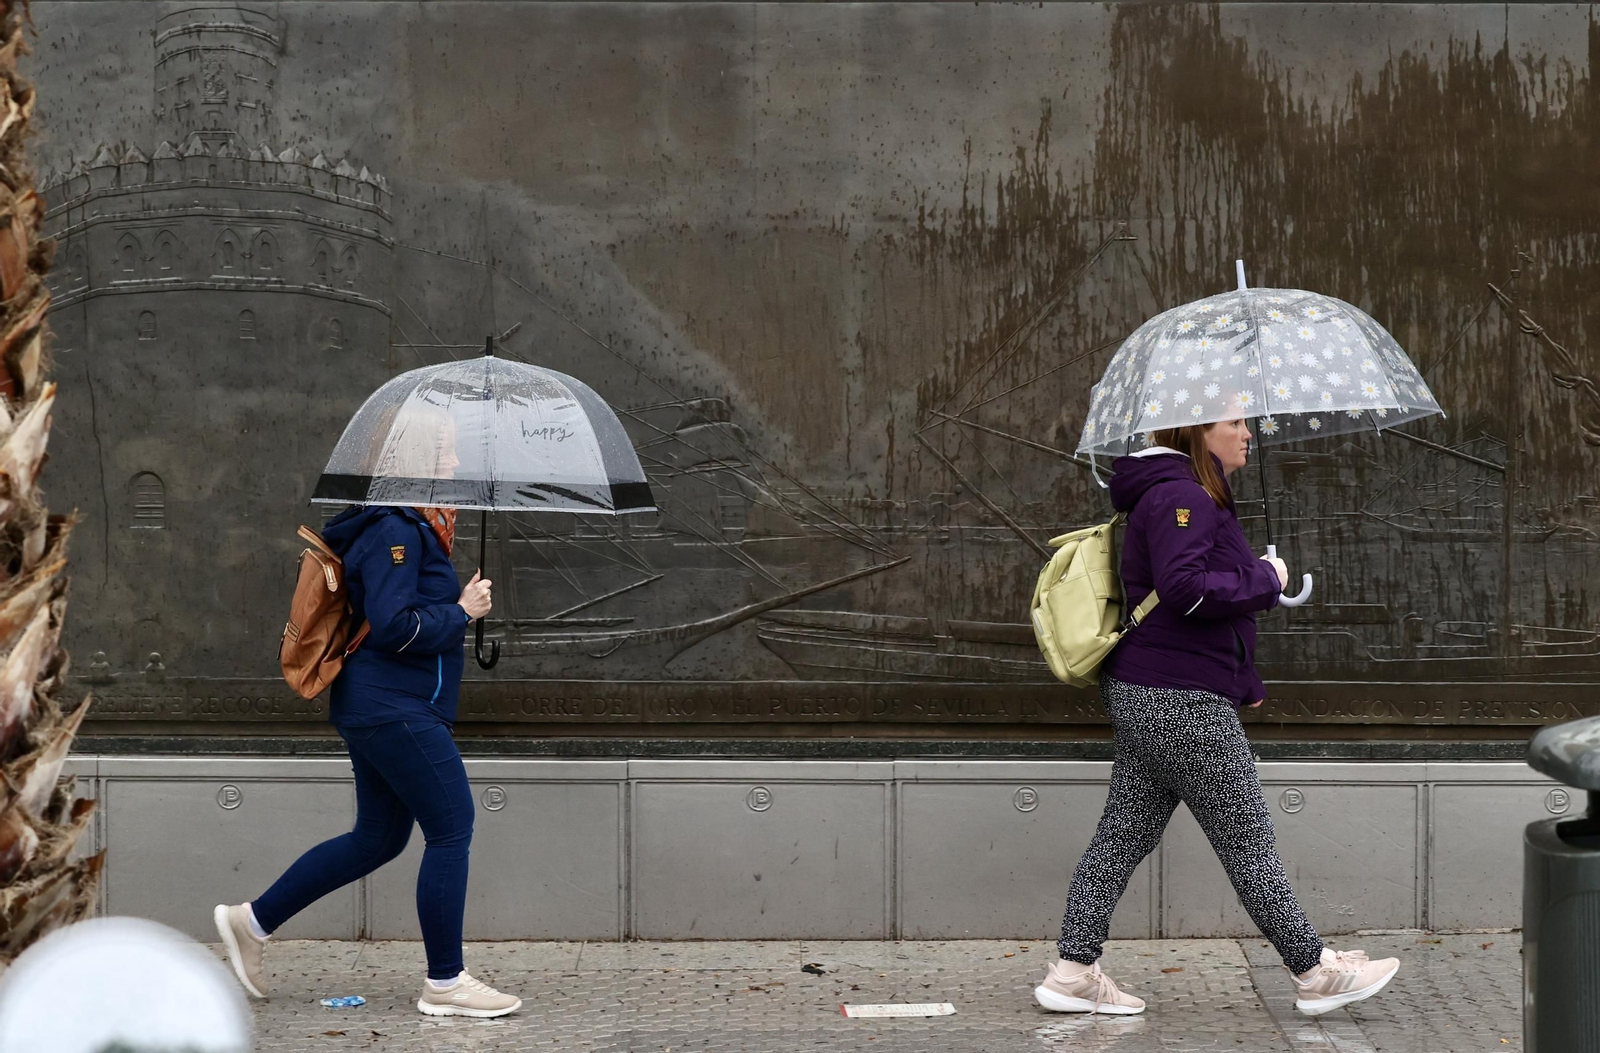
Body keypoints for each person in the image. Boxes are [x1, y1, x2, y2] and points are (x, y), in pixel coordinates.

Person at [1035, 419, 1400, 1018]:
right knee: (1247, 841)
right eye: (1234, 421)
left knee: (1122, 837)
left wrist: (1243, 680)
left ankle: (1073, 972)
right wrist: (1265, 577)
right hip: (1180, 701)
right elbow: (1185, 592)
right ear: (1197, 430)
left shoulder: (1172, 491)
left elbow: (1190, 607)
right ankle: (1314, 972)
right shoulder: (1182, 495)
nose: (1248, 432)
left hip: (1152, 689)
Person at [213, 404, 522, 1018]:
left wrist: (459, 606)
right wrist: (463, 611)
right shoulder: (398, 531)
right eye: (445, 453)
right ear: (415, 461)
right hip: (394, 706)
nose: (456, 462)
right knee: (453, 825)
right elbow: (394, 628)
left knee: (377, 838)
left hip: (383, 703)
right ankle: (445, 982)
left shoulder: (410, 526)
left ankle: (252, 923)